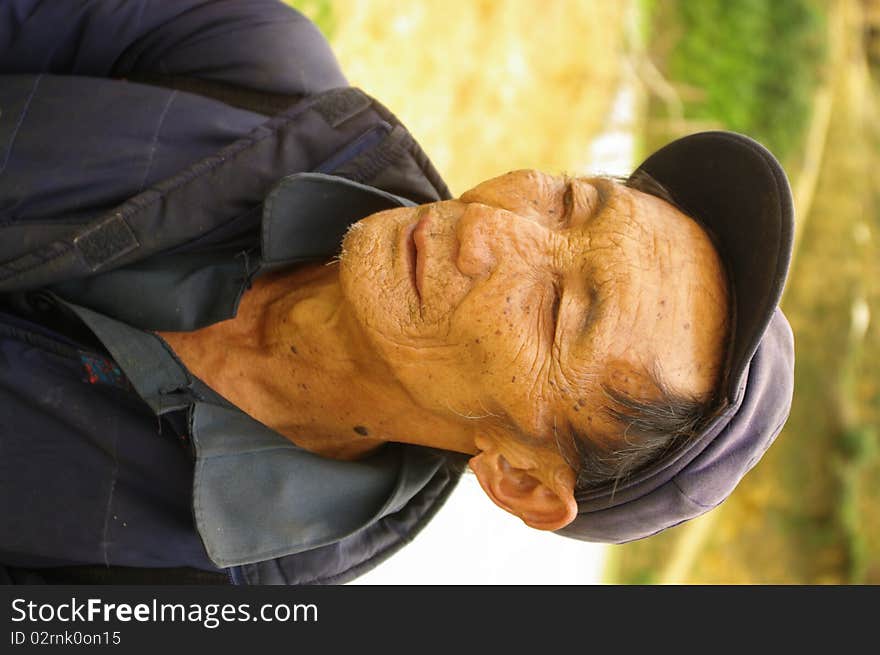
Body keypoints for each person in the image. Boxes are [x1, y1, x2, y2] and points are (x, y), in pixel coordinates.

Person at [0, 0, 794, 584]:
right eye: (569, 200)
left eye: (557, 310)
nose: (488, 229)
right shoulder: (249, 73)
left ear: (520, 476)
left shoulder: (200, 591)